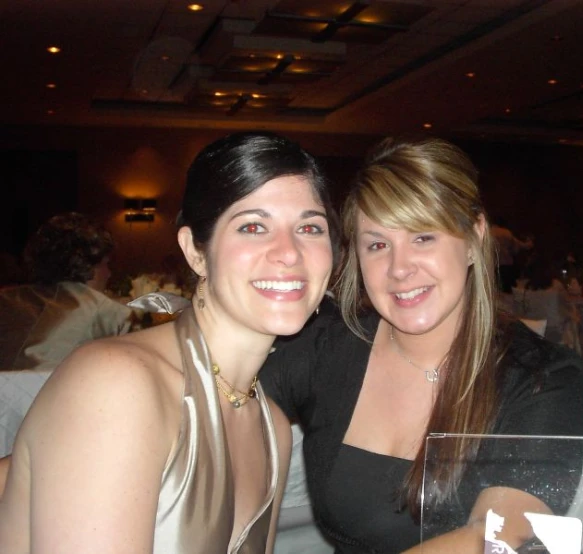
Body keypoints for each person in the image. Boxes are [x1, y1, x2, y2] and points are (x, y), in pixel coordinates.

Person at [0, 132, 337, 553]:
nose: (289, 252)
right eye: (253, 226)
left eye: (310, 227)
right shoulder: (117, 384)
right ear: (195, 252)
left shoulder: (272, 427)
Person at [261, 137, 583, 553]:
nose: (399, 268)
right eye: (377, 245)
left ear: (474, 238)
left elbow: (494, 539)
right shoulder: (330, 346)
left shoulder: (542, 377)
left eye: (423, 237)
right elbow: (222, 396)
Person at [0, 212, 132, 371]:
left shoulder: (7, 297)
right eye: (106, 264)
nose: (109, 274)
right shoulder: (110, 313)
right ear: (90, 266)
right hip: (60, 394)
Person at [490, 216, 534, 293]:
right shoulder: (507, 233)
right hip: (506, 266)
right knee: (508, 292)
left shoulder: (489, 232)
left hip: (492, 266)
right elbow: (517, 247)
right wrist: (529, 243)